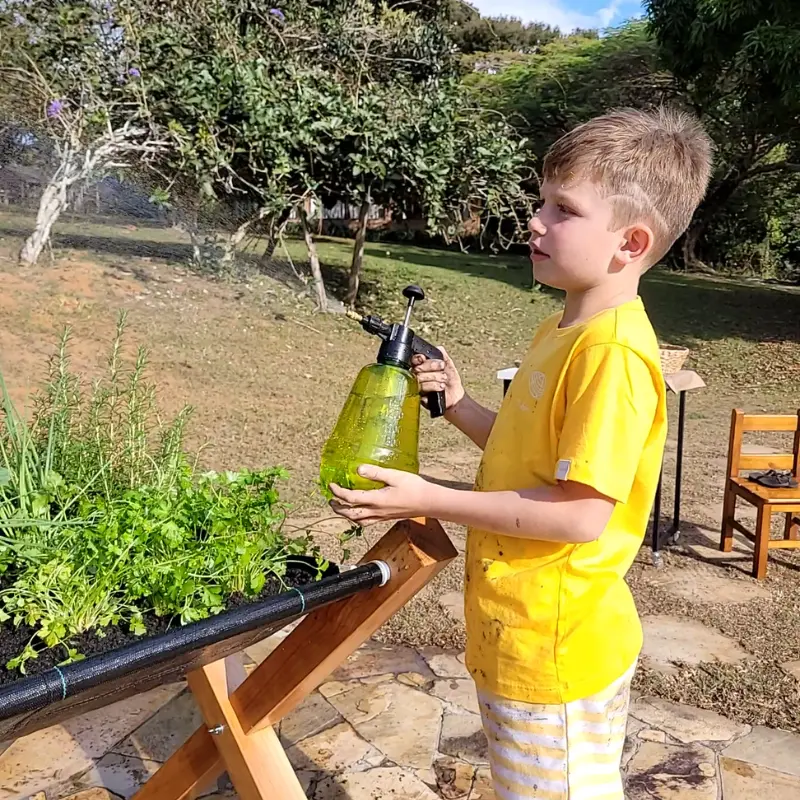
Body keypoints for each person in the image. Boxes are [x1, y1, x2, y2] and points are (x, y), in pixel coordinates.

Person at [328, 107, 713, 799]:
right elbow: (533, 457)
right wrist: (460, 405)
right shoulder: (562, 328)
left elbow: (579, 515)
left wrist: (429, 498)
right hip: (520, 633)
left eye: (563, 209)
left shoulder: (612, 355)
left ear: (629, 243)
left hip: (555, 647)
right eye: (542, 201)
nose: (535, 221)